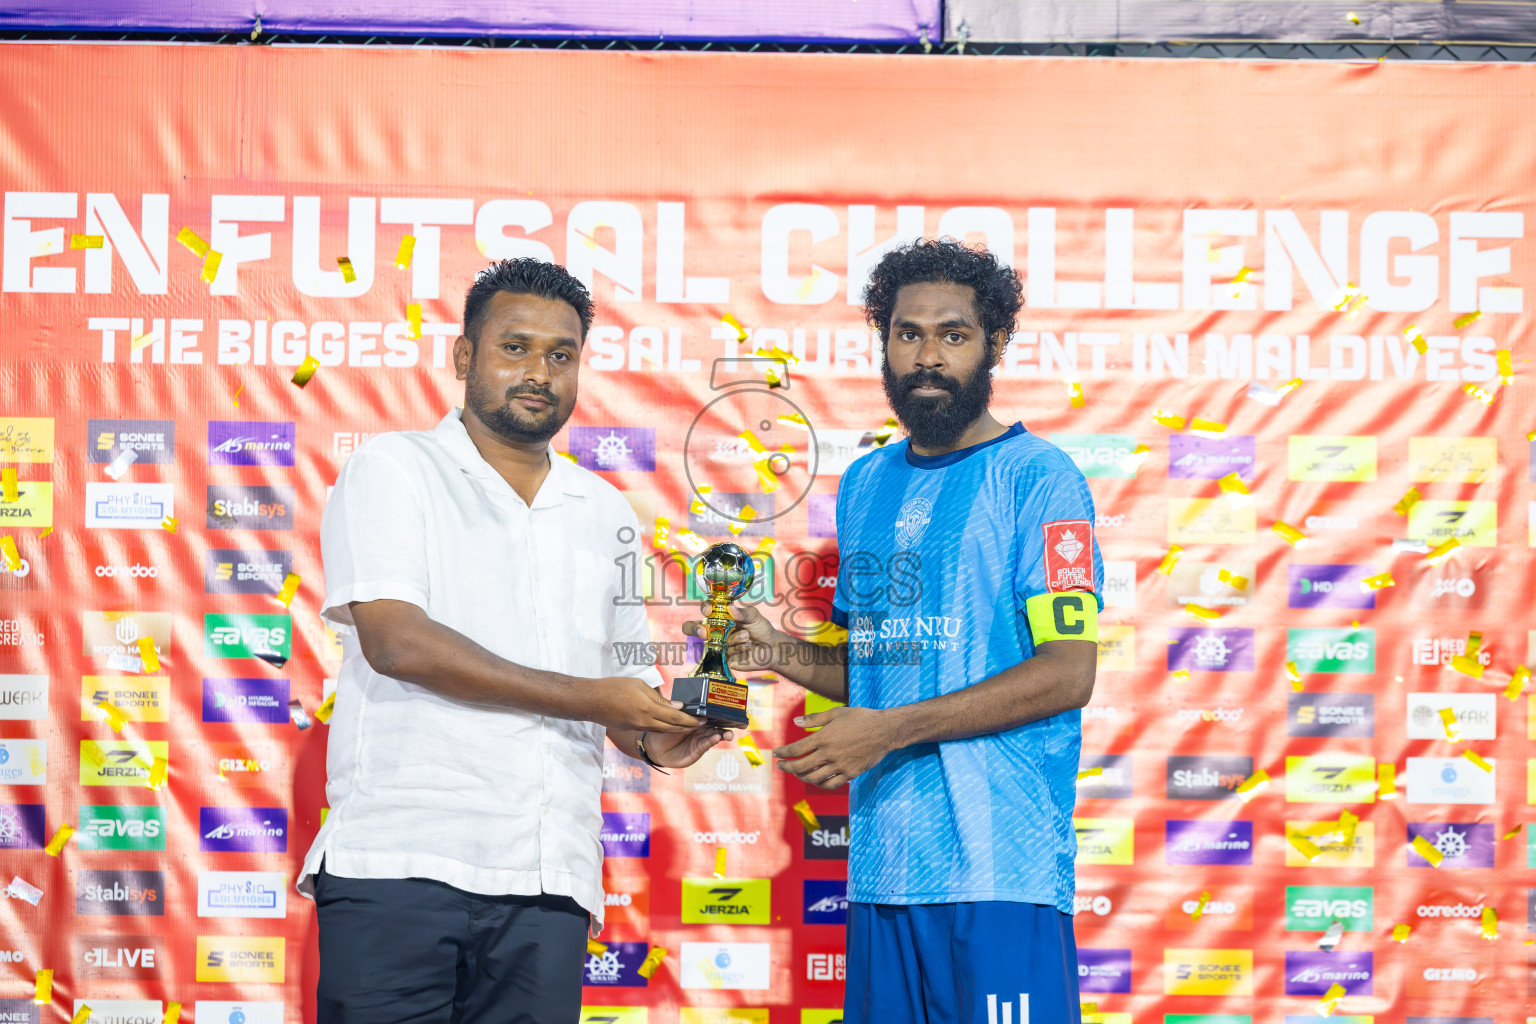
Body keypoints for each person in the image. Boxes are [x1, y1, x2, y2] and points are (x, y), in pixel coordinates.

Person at [300, 258, 728, 1024]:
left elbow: (617, 690)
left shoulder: (605, 509)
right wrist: (594, 698)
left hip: (547, 878)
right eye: (516, 349)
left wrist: (658, 738)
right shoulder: (396, 469)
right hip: (404, 864)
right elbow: (399, 644)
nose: (539, 373)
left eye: (561, 356)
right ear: (465, 357)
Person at [688, 239, 1102, 1024]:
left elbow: (1067, 673)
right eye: (908, 334)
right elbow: (876, 669)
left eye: (953, 334)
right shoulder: (867, 484)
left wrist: (887, 732)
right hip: (884, 870)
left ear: (996, 345)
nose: (928, 357)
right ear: (884, 343)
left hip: (999, 870)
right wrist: (773, 652)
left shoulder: (1041, 479)